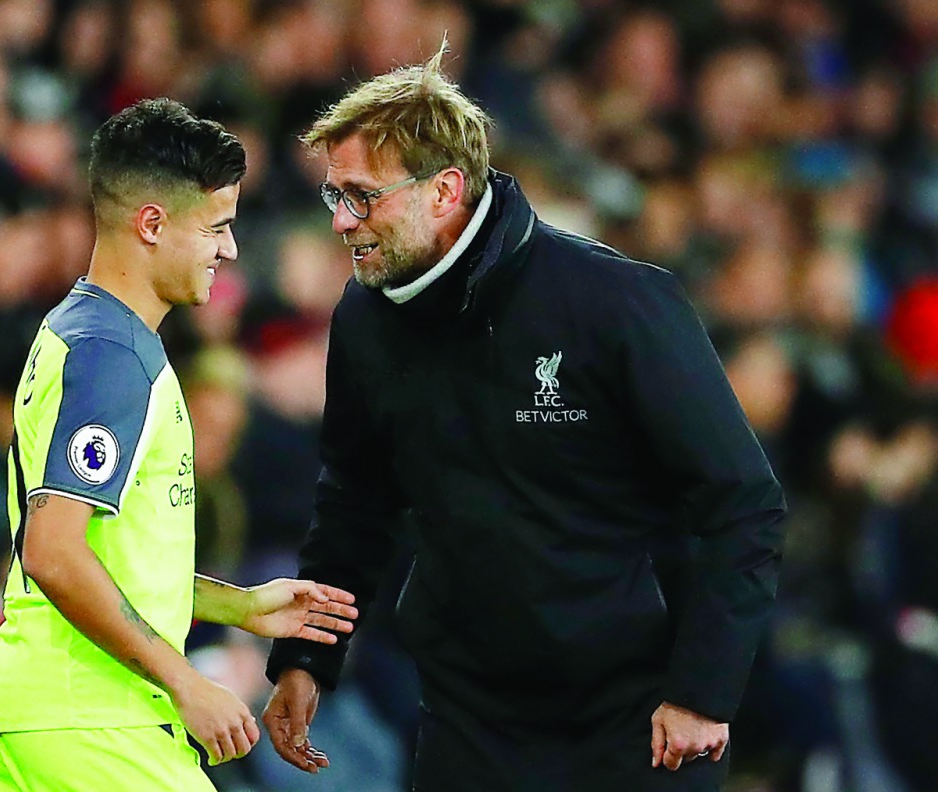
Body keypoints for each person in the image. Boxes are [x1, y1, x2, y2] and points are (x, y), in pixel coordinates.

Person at [261, 45, 787, 791]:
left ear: (443, 190)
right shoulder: (364, 318)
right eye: (332, 196)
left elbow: (743, 503)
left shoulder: (617, 304)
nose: (342, 222)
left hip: (634, 721)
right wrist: (309, 657)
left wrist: (702, 692)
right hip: (465, 718)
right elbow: (354, 499)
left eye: (361, 196)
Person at [0, 98, 358, 792]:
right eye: (216, 227)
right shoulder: (111, 354)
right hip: (91, 724)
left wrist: (238, 607)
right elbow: (53, 552)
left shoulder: (86, 333)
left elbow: (105, 559)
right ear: (152, 223)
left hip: (60, 717)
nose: (230, 250)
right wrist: (186, 681)